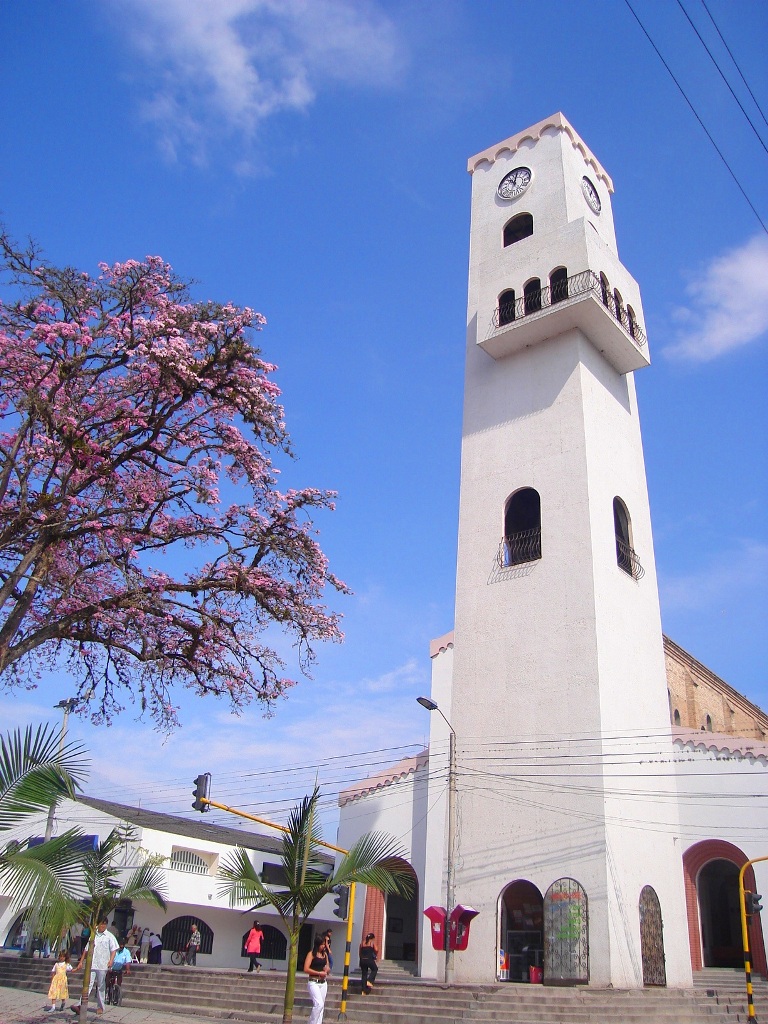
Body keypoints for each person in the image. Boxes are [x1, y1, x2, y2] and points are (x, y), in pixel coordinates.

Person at [71, 918, 118, 1016]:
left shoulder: (109, 936)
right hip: (92, 964)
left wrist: (111, 961)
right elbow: (86, 949)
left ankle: (100, 1006)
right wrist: (81, 961)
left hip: (103, 965)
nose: (102, 926)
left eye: (104, 924)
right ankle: (80, 1005)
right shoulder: (94, 935)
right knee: (88, 984)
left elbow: (114, 950)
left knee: (101, 986)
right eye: (101, 924)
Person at [303, 934, 330, 1024]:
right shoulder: (311, 954)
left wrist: (327, 969)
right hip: (314, 982)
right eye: (322, 944)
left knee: (321, 1007)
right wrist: (318, 973)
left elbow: (327, 966)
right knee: (319, 1004)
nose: (324, 946)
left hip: (323, 982)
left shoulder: (324, 954)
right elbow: (306, 969)